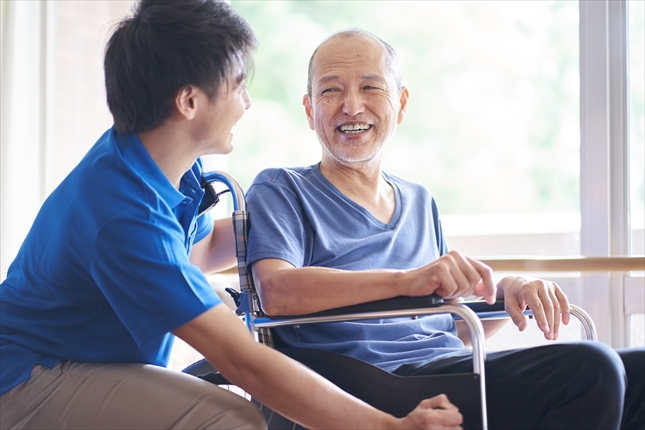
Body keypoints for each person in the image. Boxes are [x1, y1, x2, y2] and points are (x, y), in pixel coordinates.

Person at [0, 4, 465, 429]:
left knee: (223, 313)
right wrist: (389, 426)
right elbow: (242, 362)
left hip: (85, 359)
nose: (247, 103)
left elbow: (198, 250)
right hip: (30, 374)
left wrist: (307, 229)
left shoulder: (167, 165)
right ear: (188, 102)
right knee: (234, 420)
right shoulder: (123, 216)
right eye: (238, 85)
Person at [245, 29, 645, 429]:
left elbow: (447, 323)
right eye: (331, 91)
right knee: (591, 368)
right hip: (367, 385)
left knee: (638, 371)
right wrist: (407, 279)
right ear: (309, 108)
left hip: (446, 369)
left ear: (400, 104)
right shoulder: (282, 188)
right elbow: (278, 292)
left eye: (370, 87)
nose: (352, 106)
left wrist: (504, 293)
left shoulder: (420, 200)